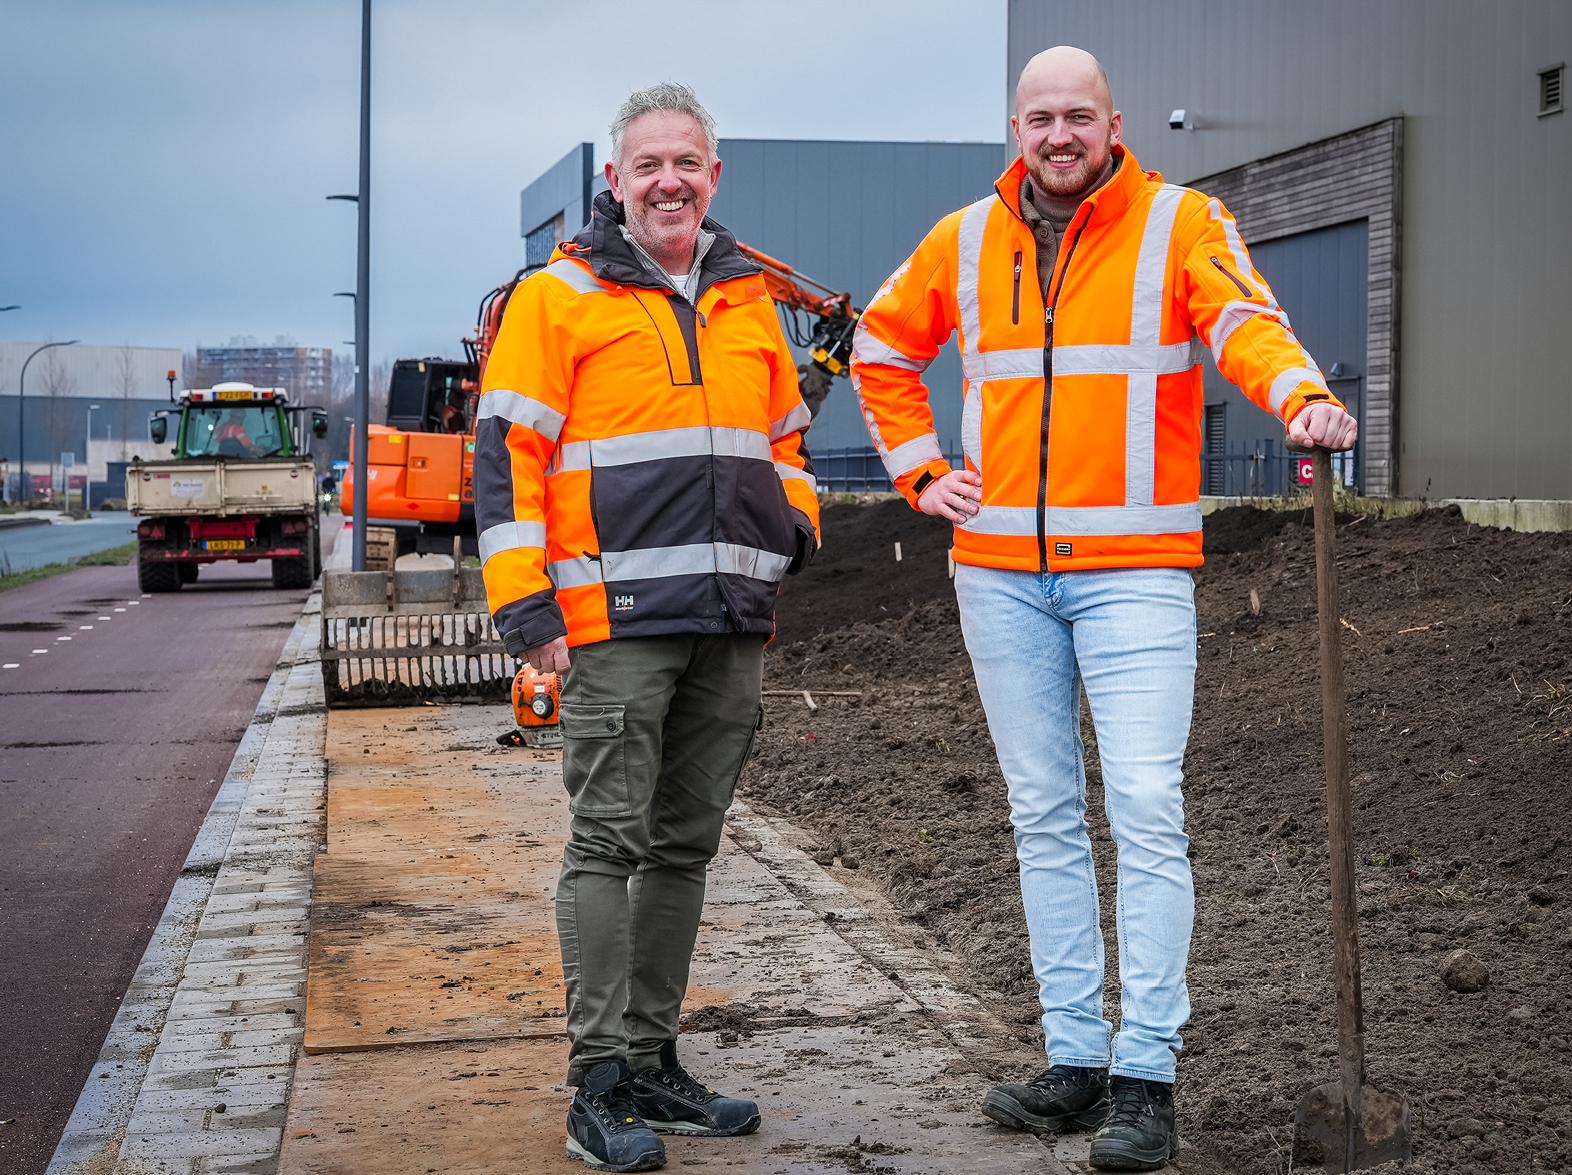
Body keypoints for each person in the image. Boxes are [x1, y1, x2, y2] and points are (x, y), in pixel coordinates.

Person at [850, 46, 1357, 1172]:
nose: (1059, 134)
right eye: (1040, 117)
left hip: (1133, 571)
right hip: (997, 573)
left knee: (1140, 802)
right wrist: (923, 470)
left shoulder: (1180, 221)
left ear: (1113, 122)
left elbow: (1245, 324)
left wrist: (1303, 399)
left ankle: (1146, 1074)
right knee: (1042, 812)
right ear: (1016, 128)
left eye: (1078, 115)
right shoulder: (962, 239)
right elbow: (879, 347)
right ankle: (1073, 1057)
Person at [474, 82, 820, 1173]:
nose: (668, 181)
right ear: (614, 183)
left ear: (713, 178)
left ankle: (655, 1056)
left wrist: (792, 533)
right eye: (647, 165)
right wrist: (527, 610)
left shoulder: (747, 297)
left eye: (688, 163)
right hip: (611, 626)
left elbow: (788, 442)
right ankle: (599, 1081)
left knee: (683, 846)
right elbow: (505, 463)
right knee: (606, 844)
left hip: (728, 620)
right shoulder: (556, 297)